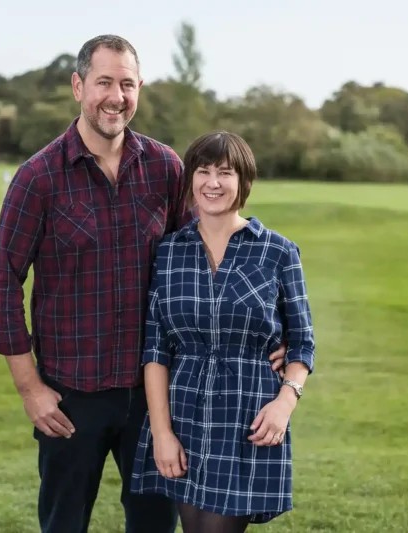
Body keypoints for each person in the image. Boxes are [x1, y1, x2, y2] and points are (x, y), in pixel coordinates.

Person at [0, 35, 287, 533]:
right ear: (79, 86)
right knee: (64, 524)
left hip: (156, 395)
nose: (116, 96)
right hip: (70, 395)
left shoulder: (165, 168)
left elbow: (205, 255)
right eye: (104, 82)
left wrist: (277, 337)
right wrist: (29, 387)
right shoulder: (38, 177)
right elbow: (1, 283)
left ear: (139, 88)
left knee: (153, 525)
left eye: (127, 84)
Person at [130, 131, 316, 533]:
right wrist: (162, 433)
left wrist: (286, 401)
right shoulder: (169, 251)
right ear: (190, 180)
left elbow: (302, 342)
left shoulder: (278, 251)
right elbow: (156, 350)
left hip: (246, 415)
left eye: (225, 173)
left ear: (243, 182)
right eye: (204, 171)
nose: (213, 183)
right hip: (183, 415)